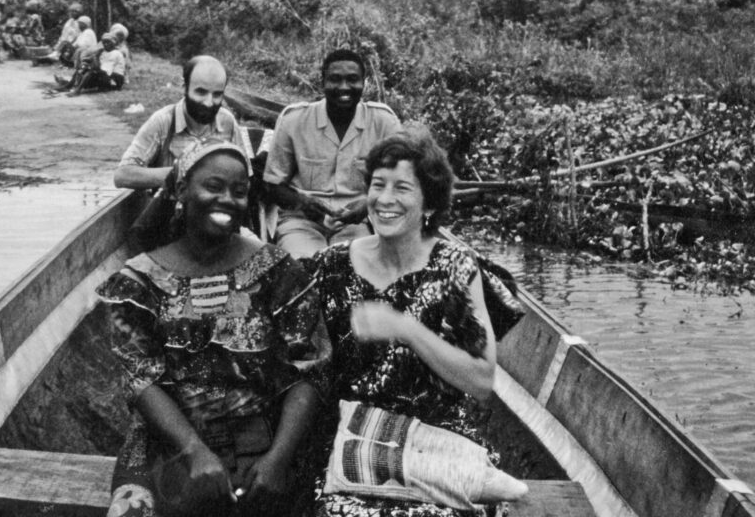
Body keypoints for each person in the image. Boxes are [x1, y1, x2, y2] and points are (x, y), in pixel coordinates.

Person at [98, 140, 329, 517]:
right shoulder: (139, 280)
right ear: (180, 190)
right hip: (168, 446)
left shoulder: (278, 270)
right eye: (213, 186)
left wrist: (278, 460)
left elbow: (311, 370)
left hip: (266, 441)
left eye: (239, 191)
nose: (228, 200)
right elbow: (140, 380)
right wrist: (195, 452)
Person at [307, 128, 521, 516]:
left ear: (429, 204)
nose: (385, 199)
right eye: (377, 185)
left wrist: (405, 329)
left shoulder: (453, 267)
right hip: (355, 442)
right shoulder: (331, 265)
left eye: (402, 188)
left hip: (436, 444)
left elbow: (481, 380)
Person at [262, 48, 402, 259]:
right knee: (303, 267)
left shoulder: (383, 122)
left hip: (356, 225)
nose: (344, 87)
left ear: (364, 83)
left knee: (354, 267)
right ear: (323, 82)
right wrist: (302, 203)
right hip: (301, 222)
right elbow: (272, 185)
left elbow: (401, 180)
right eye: (335, 79)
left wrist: (368, 204)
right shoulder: (294, 120)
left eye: (352, 79)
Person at [113, 56, 248, 191]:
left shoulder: (227, 122)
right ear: (184, 87)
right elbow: (122, 175)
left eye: (217, 95)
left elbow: (246, 175)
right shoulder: (163, 121)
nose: (209, 103)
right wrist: (184, 173)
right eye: (201, 92)